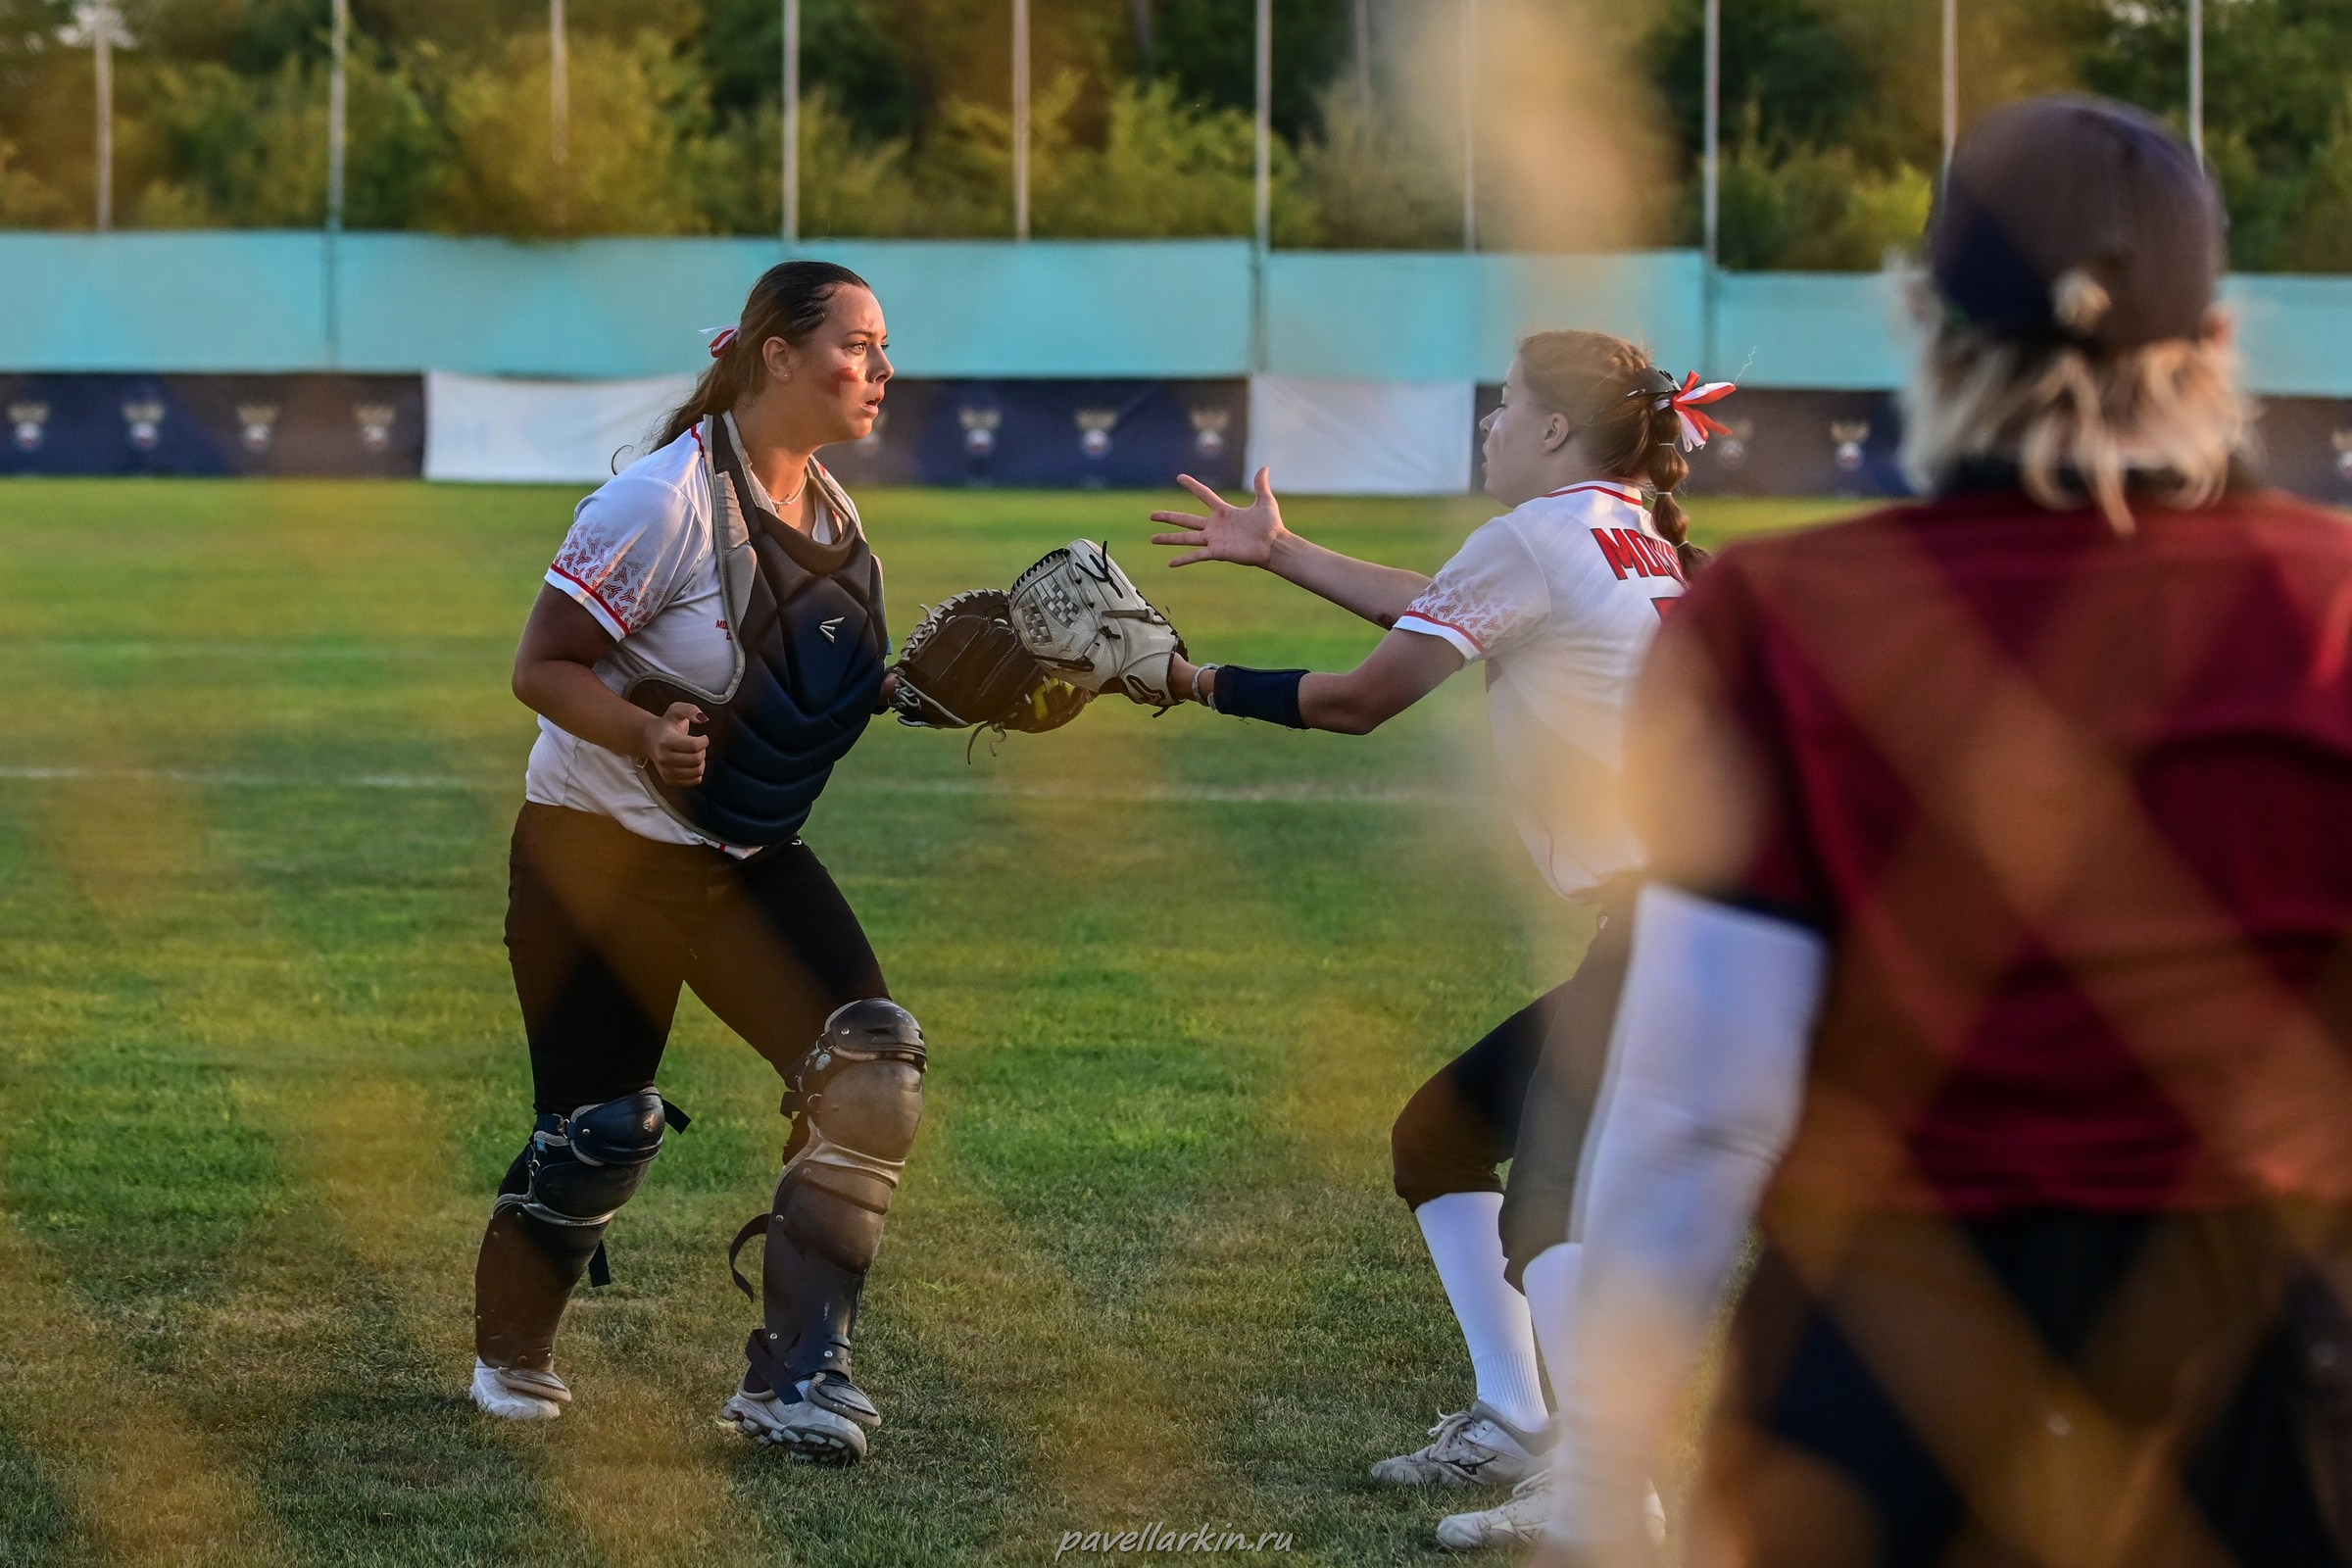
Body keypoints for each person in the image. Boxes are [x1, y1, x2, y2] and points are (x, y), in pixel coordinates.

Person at [1549, 96, 2352, 1568]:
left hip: (1885, 1351)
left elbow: (1696, 1109)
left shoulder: (1786, 625)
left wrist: (1604, 1478)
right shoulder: (2332, 605)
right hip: (2258, 1355)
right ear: (2219, 346)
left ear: (1923, 319)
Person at [1144, 332, 1728, 1549]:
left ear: (1556, 430)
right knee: (1444, 1134)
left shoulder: (1538, 534)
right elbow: (1461, 608)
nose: (1490, 425)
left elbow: (1362, 700)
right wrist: (1283, 551)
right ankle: (1520, 1421)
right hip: (1708, 918)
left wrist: (1190, 683)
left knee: (1553, 1199)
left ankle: (1610, 1493)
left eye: (1506, 405)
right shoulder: (1630, 530)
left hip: (1679, 917)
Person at [467, 260, 927, 1467]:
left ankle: (795, 1378)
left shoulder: (829, 510)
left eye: (884, 347)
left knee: (870, 1073)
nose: (883, 367)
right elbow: (543, 664)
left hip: (743, 858)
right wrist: (641, 731)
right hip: (596, 860)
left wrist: (921, 692)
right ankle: (511, 1347)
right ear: (778, 355)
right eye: (860, 343)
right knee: (601, 1129)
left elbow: (793, 687)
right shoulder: (662, 502)